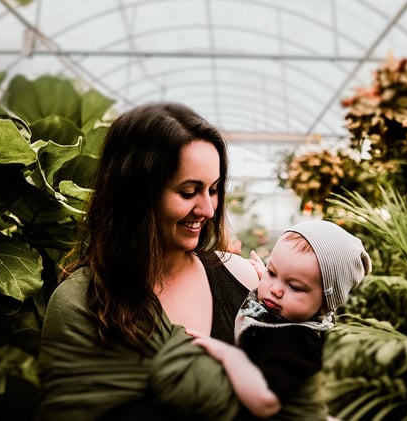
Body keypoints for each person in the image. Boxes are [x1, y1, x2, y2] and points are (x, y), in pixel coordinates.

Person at [36, 102, 260, 420]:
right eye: (188, 192)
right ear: (137, 194)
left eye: (213, 189)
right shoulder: (81, 303)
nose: (208, 209)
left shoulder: (243, 280)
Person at [188, 219, 372, 420]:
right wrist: (270, 278)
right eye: (272, 272)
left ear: (326, 304)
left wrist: (230, 355)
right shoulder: (288, 311)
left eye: (294, 286)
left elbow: (265, 402)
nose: (274, 289)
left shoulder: (295, 340)